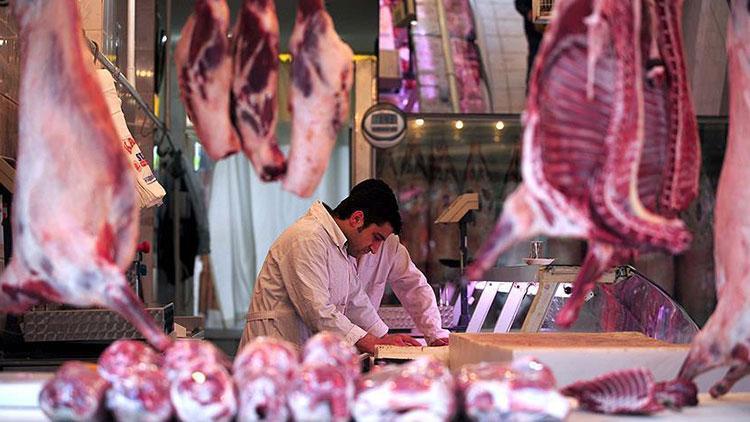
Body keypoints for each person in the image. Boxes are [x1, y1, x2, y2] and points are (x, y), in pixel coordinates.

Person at [238, 179, 449, 354]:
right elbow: (318, 312)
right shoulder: (307, 238)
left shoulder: (339, 247)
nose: (375, 249)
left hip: (296, 360)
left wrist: (384, 337)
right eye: (375, 238)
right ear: (357, 219)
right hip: (269, 358)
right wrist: (373, 342)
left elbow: (356, 301)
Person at [515, 0, 544, 88]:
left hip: (555, 27)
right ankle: (531, 87)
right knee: (535, 55)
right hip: (535, 30)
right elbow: (519, 4)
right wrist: (528, 12)